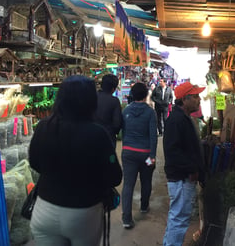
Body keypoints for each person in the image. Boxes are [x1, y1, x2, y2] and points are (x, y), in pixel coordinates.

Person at [28, 75, 123, 246]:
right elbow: (115, 176)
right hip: (83, 213)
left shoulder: (44, 126)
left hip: (45, 210)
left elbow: (34, 163)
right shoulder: (98, 134)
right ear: (91, 101)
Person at [162, 81, 206, 246]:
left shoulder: (183, 118)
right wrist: (192, 169)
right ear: (185, 100)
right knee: (179, 219)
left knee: (177, 217)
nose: (199, 100)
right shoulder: (177, 120)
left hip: (183, 176)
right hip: (181, 178)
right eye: (195, 97)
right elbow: (173, 152)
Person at [121, 82, 158, 229]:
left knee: (128, 185)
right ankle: (144, 206)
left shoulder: (126, 111)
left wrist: (126, 147)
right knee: (146, 180)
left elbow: (123, 132)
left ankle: (126, 219)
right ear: (146, 95)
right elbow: (153, 137)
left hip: (128, 152)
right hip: (145, 155)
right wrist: (153, 156)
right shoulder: (150, 112)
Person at [96, 74, 123, 145]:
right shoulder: (114, 101)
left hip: (91, 137)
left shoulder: (91, 97)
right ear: (113, 89)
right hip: (108, 138)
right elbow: (117, 123)